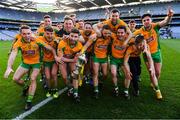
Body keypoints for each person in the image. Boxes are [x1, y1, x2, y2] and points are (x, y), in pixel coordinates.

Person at [4, 25, 59, 110]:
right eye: (24, 34)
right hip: (25, 62)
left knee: (33, 78)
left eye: (28, 33)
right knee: (15, 79)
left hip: (37, 63)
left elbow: (50, 48)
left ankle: (29, 101)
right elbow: (13, 54)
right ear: (21, 34)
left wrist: (55, 56)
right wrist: (9, 67)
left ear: (31, 33)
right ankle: (26, 87)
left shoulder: (37, 40)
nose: (27, 36)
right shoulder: (18, 42)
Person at [133, 7, 174, 87]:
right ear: (142, 22)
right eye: (144, 20)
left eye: (148, 20)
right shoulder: (139, 31)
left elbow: (165, 22)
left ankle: (154, 82)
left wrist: (169, 16)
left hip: (156, 53)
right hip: (146, 54)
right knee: (151, 71)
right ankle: (154, 83)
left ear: (151, 20)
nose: (146, 22)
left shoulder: (155, 26)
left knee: (158, 72)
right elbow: (131, 36)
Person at [124, 34, 162, 100]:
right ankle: (136, 89)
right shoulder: (131, 47)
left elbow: (149, 58)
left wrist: (151, 67)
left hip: (137, 58)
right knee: (134, 73)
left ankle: (135, 79)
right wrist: (127, 70)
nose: (140, 47)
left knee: (138, 72)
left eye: (141, 45)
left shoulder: (146, 46)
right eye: (138, 45)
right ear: (135, 44)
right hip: (130, 59)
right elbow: (125, 61)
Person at [57, 28, 83, 102]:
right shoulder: (62, 43)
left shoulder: (79, 45)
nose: (73, 38)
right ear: (69, 35)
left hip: (72, 60)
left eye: (75, 37)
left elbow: (80, 56)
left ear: (78, 38)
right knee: (64, 76)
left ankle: (75, 93)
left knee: (75, 74)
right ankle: (70, 87)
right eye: (72, 36)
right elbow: (61, 58)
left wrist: (82, 57)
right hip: (64, 60)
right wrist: (73, 60)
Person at [37, 26, 59, 98]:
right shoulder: (40, 39)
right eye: (47, 33)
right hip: (46, 61)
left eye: (51, 33)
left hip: (54, 61)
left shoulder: (56, 39)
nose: (49, 35)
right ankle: (49, 89)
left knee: (54, 74)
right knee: (48, 77)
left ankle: (55, 89)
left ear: (53, 33)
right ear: (44, 33)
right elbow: (33, 38)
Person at [91, 25, 111, 99]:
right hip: (96, 57)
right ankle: (96, 90)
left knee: (105, 74)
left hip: (104, 58)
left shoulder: (110, 38)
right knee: (95, 73)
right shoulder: (96, 37)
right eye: (105, 33)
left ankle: (101, 82)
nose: (106, 35)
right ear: (102, 32)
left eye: (108, 33)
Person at [109, 26, 129, 97]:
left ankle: (126, 90)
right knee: (113, 73)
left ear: (125, 33)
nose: (120, 34)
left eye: (122, 33)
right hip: (114, 59)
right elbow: (104, 31)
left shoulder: (128, 39)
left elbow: (138, 38)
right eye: (118, 32)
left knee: (128, 75)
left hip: (123, 60)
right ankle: (116, 88)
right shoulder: (114, 36)